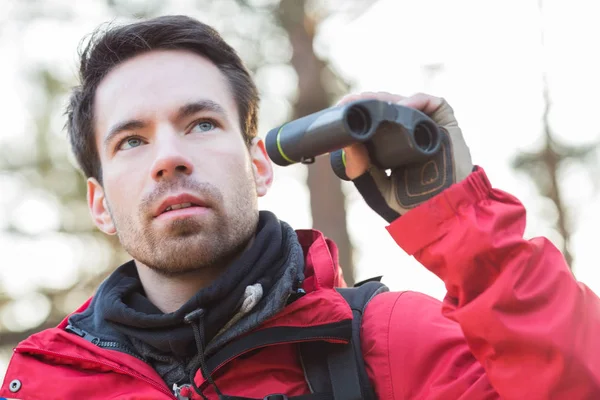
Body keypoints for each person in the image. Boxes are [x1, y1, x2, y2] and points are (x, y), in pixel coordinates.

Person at [2, 14, 600, 400]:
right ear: (100, 203)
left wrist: (468, 227)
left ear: (259, 167)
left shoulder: (391, 344)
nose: (169, 157)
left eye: (203, 123)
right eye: (131, 140)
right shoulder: (45, 385)